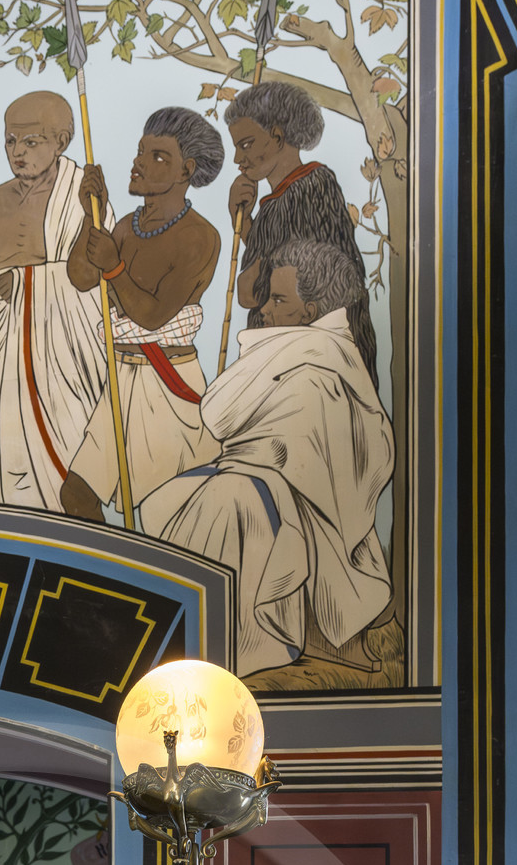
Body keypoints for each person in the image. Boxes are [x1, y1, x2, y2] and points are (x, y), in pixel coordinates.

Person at [140, 239, 393, 675]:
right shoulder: (289, 353)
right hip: (248, 480)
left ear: (310, 313)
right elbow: (230, 425)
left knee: (227, 499)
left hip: (293, 503)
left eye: (279, 300)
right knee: (195, 496)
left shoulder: (324, 369)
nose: (266, 311)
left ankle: (220, 650)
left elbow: (320, 462)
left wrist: (262, 464)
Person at [62, 107, 223, 523]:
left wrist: (115, 268)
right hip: (122, 374)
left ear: (186, 170)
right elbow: (82, 278)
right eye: (139, 152)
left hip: (166, 382)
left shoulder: (200, 237)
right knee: (77, 494)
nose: (137, 163)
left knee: (162, 511)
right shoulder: (127, 227)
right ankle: (106, 582)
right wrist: (89, 213)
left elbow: (152, 316)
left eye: (157, 156)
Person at [0, 92, 112, 510]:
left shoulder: (82, 197)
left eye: (31, 142)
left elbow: (94, 281)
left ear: (60, 142)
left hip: (68, 364)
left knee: (68, 463)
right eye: (10, 142)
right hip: (6, 360)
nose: (17, 153)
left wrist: (30, 282)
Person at [226, 79, 378, 387]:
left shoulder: (310, 188)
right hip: (289, 357)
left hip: (309, 364)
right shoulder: (279, 200)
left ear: (278, 137)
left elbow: (255, 289)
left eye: (246, 145)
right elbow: (274, 263)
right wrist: (243, 225)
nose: (238, 160)